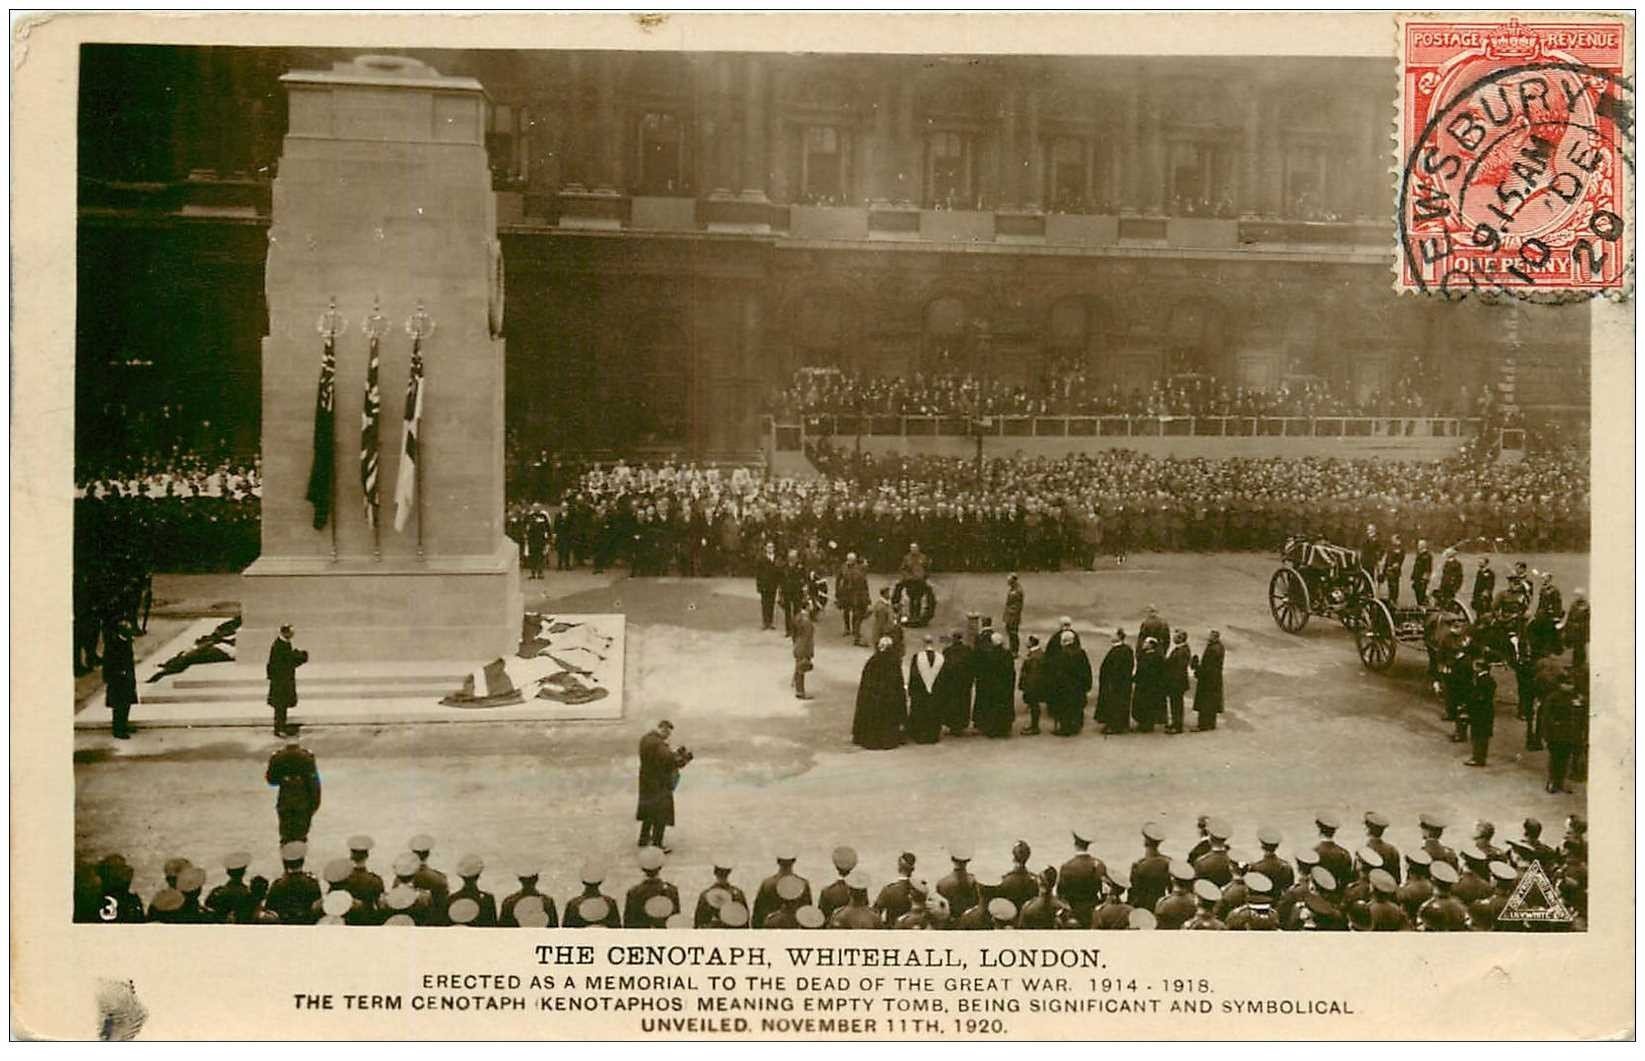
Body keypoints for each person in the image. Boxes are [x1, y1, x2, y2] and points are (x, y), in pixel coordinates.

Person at [636, 719, 686, 851]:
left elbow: (659, 758)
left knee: (648, 811)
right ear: (664, 730)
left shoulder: (646, 739)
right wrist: (684, 758)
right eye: (667, 733)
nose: (668, 736)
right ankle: (657, 843)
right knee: (661, 813)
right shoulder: (658, 744)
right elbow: (669, 762)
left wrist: (672, 752)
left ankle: (643, 838)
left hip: (646, 782)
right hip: (659, 783)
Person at [852, 636, 908, 750]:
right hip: (889, 702)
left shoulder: (872, 662)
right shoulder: (893, 663)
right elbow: (898, 686)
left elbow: (864, 687)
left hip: (873, 702)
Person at [264, 735, 321, 845]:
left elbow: (271, 780)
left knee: (286, 836)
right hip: (303, 802)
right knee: (301, 836)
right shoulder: (307, 757)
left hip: (285, 801)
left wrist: (284, 778)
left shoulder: (277, 756)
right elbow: (314, 784)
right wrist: (314, 805)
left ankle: (287, 854)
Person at [1044, 629, 1092, 736]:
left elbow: (1057, 673)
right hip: (1078, 688)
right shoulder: (1081, 653)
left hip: (1065, 689)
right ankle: (1076, 726)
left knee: (1065, 709)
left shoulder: (1061, 655)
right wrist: (1086, 685)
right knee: (1076, 707)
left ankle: (1066, 728)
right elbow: (1086, 670)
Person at [1542, 669, 1583, 793]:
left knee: (1565, 759)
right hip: (1556, 734)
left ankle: (1561, 782)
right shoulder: (1553, 698)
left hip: (1569, 734)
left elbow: (1579, 716)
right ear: (1560, 684)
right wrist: (1547, 734)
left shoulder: (1575, 698)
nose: (1570, 686)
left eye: (1572, 684)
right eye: (1567, 683)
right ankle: (1552, 781)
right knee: (1555, 759)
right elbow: (1547, 717)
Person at [266, 624, 309, 737]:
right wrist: (299, 658)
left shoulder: (284, 644)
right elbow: (285, 662)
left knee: (282, 706)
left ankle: (281, 727)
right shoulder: (280, 645)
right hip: (281, 681)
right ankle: (279, 728)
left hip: (283, 680)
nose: (293, 634)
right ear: (285, 632)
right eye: (291, 632)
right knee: (280, 706)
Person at [972, 631, 1016, 738]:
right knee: (1003, 707)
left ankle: (993, 729)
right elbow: (1011, 671)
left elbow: (986, 672)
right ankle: (1004, 728)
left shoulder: (990, 655)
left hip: (992, 687)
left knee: (992, 708)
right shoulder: (1007, 654)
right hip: (1005, 686)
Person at [266, 841, 321, 925]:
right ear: (303, 861)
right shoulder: (311, 883)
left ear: (285, 862)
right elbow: (317, 908)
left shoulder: (278, 884)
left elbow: (270, 908)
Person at [933, 629, 976, 736]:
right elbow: (971, 666)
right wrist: (970, 680)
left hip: (951, 683)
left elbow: (944, 667)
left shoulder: (947, 651)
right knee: (963, 704)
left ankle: (952, 724)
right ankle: (961, 725)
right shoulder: (967, 650)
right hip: (963, 683)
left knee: (952, 703)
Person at [101, 619, 138, 740]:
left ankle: (124, 724)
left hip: (126, 677)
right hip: (117, 678)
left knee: (126, 703)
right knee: (119, 705)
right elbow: (108, 662)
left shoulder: (126, 641)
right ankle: (118, 729)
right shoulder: (114, 643)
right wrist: (115, 674)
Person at [906, 634, 945, 744]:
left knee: (921, 713)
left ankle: (920, 735)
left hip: (920, 692)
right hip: (936, 692)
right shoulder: (941, 658)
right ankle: (933, 736)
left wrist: (911, 691)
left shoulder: (917, 657)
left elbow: (913, 676)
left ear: (923, 643)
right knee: (933, 712)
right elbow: (944, 677)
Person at [1096, 629, 1134, 734]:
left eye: (1113, 635)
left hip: (1116, 683)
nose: (1111, 636)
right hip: (1120, 683)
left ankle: (1115, 726)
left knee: (1115, 704)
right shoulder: (1125, 650)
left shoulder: (1120, 651)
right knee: (1119, 703)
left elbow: (1116, 669)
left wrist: (1111, 681)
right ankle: (1119, 724)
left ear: (1119, 636)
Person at [1463, 657, 1497, 767]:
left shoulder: (1483, 680)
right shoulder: (1488, 679)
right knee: (1481, 736)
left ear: (1480, 668)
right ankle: (1479, 757)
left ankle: (1478, 758)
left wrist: (1470, 705)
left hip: (1481, 712)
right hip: (1486, 712)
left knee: (1478, 736)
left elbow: (1479, 696)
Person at [1130, 636, 1166, 733]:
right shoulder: (1144, 655)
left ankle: (1147, 724)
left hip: (1149, 686)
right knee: (1141, 704)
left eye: (1146, 643)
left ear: (1151, 645)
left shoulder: (1155, 657)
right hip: (1142, 684)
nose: (1143, 644)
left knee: (1148, 704)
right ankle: (1142, 722)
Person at [1190, 630, 1224, 731]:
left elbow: (1207, 666)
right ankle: (1211, 723)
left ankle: (1203, 725)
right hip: (1215, 678)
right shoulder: (1219, 647)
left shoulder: (1212, 649)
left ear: (1214, 638)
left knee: (1205, 702)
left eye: (1211, 636)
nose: (1208, 638)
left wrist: (1197, 669)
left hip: (1208, 679)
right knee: (1212, 702)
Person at [836, 553, 870, 645]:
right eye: (849, 560)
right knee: (846, 610)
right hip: (845, 591)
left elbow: (863, 581)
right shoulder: (843, 567)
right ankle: (847, 628)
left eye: (852, 561)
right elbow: (838, 579)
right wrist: (838, 591)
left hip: (854, 592)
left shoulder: (858, 568)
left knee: (855, 610)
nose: (850, 562)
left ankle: (855, 629)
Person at [1017, 635, 1047, 734]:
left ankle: (1034, 727)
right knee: (1034, 706)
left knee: (1034, 706)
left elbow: (1033, 674)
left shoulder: (1034, 657)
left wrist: (1027, 686)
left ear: (1031, 643)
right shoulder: (1038, 653)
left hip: (1033, 686)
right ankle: (1034, 725)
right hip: (1036, 684)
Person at [1164, 630, 1192, 734]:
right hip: (1176, 681)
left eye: (1175, 636)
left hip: (1177, 682)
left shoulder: (1182, 651)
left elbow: (1179, 668)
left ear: (1180, 638)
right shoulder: (1180, 649)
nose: (1173, 638)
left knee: (1177, 704)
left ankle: (1178, 725)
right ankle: (1175, 723)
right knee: (1174, 703)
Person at [791, 604, 816, 700]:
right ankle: (800, 691)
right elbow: (807, 638)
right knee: (801, 669)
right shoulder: (807, 621)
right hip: (804, 647)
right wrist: (809, 652)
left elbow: (794, 634)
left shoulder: (797, 617)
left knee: (798, 668)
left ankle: (798, 688)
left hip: (798, 644)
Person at [755, 541, 780, 630]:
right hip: (764, 584)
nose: (770, 549)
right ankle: (765, 622)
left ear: (774, 548)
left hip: (773, 584)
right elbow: (758, 573)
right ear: (765, 548)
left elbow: (779, 571)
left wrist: (779, 583)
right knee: (765, 603)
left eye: (772, 547)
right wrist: (758, 586)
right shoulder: (761, 558)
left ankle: (771, 622)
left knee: (772, 603)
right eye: (768, 547)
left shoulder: (776, 558)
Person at [1564, 588, 1589, 669]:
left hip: (1581, 630)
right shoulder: (1574, 605)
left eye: (1577, 595)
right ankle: (1575, 664)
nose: (1576, 597)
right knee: (1575, 647)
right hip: (1574, 630)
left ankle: (1581, 664)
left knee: (1580, 647)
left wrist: (1581, 627)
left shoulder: (1586, 606)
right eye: (1575, 595)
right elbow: (1570, 617)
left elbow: (1587, 620)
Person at [1003, 574, 1024, 655]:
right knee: (1009, 632)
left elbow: (1018, 606)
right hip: (1009, 615)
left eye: (1009, 580)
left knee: (1013, 633)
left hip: (1014, 616)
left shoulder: (1018, 591)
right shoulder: (1012, 589)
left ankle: (1015, 650)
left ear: (1013, 580)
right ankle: (1012, 648)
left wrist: (1012, 615)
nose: (1008, 582)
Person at [1382, 535, 1405, 604]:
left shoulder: (1400, 550)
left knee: (1395, 586)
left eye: (1394, 540)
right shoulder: (1390, 549)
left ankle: (1394, 600)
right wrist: (1384, 571)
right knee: (1391, 586)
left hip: (1394, 571)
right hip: (1389, 571)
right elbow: (1387, 561)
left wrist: (1393, 566)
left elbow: (1399, 561)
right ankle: (1391, 600)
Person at [1410, 539, 1433, 606]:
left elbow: (1428, 568)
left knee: (1421, 593)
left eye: (1419, 545)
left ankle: (1424, 605)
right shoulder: (1419, 555)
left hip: (1422, 578)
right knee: (1417, 592)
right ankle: (1420, 605)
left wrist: (1425, 577)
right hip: (1417, 577)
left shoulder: (1427, 556)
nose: (1418, 546)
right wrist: (1413, 576)